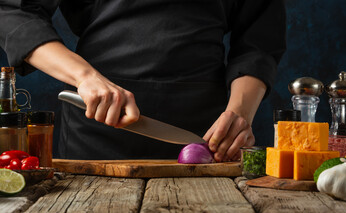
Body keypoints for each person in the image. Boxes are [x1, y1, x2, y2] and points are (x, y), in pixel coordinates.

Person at [0, 0, 286, 161]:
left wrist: (240, 114)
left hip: (206, 139)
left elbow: (259, 39)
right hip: (98, 130)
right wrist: (85, 77)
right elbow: (15, 11)